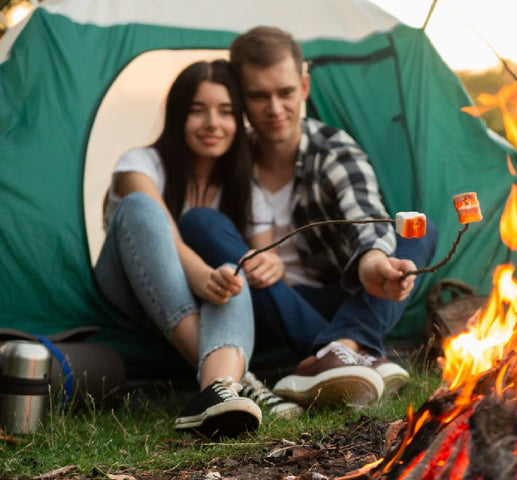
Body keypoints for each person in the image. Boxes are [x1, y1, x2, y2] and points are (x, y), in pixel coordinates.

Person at [180, 27, 438, 409]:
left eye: (284, 92)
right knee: (199, 221)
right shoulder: (226, 156)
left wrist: (371, 262)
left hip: (335, 299)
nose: (274, 108)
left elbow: (364, 212)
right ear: (240, 99)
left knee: (421, 228)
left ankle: (339, 348)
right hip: (258, 305)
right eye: (258, 96)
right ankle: (351, 352)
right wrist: (253, 256)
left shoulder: (331, 149)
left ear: (303, 87)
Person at [94, 59, 302, 438]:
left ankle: (215, 393)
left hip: (202, 294)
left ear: (238, 120)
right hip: (130, 290)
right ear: (177, 116)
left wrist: (271, 264)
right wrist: (200, 274)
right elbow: (160, 231)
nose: (212, 124)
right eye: (197, 110)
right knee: (141, 208)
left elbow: (261, 255)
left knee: (233, 271)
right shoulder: (138, 163)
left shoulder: (245, 187)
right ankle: (242, 382)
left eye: (225, 112)